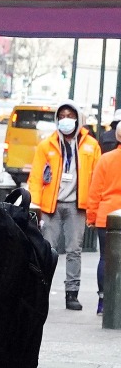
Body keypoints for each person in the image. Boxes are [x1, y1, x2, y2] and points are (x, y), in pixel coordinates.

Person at [28, 101, 102, 310]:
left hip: (77, 206)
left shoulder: (90, 146)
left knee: (74, 250)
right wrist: (36, 207)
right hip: (51, 205)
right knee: (46, 250)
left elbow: (96, 178)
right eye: (62, 116)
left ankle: (72, 294)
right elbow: (35, 177)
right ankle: (41, 291)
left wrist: (93, 208)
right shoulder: (47, 145)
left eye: (70, 115)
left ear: (77, 118)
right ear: (57, 119)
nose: (66, 119)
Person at [86, 141, 121, 314]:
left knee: (105, 258)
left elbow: (95, 190)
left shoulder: (106, 159)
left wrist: (91, 217)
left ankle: (103, 300)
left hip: (106, 215)